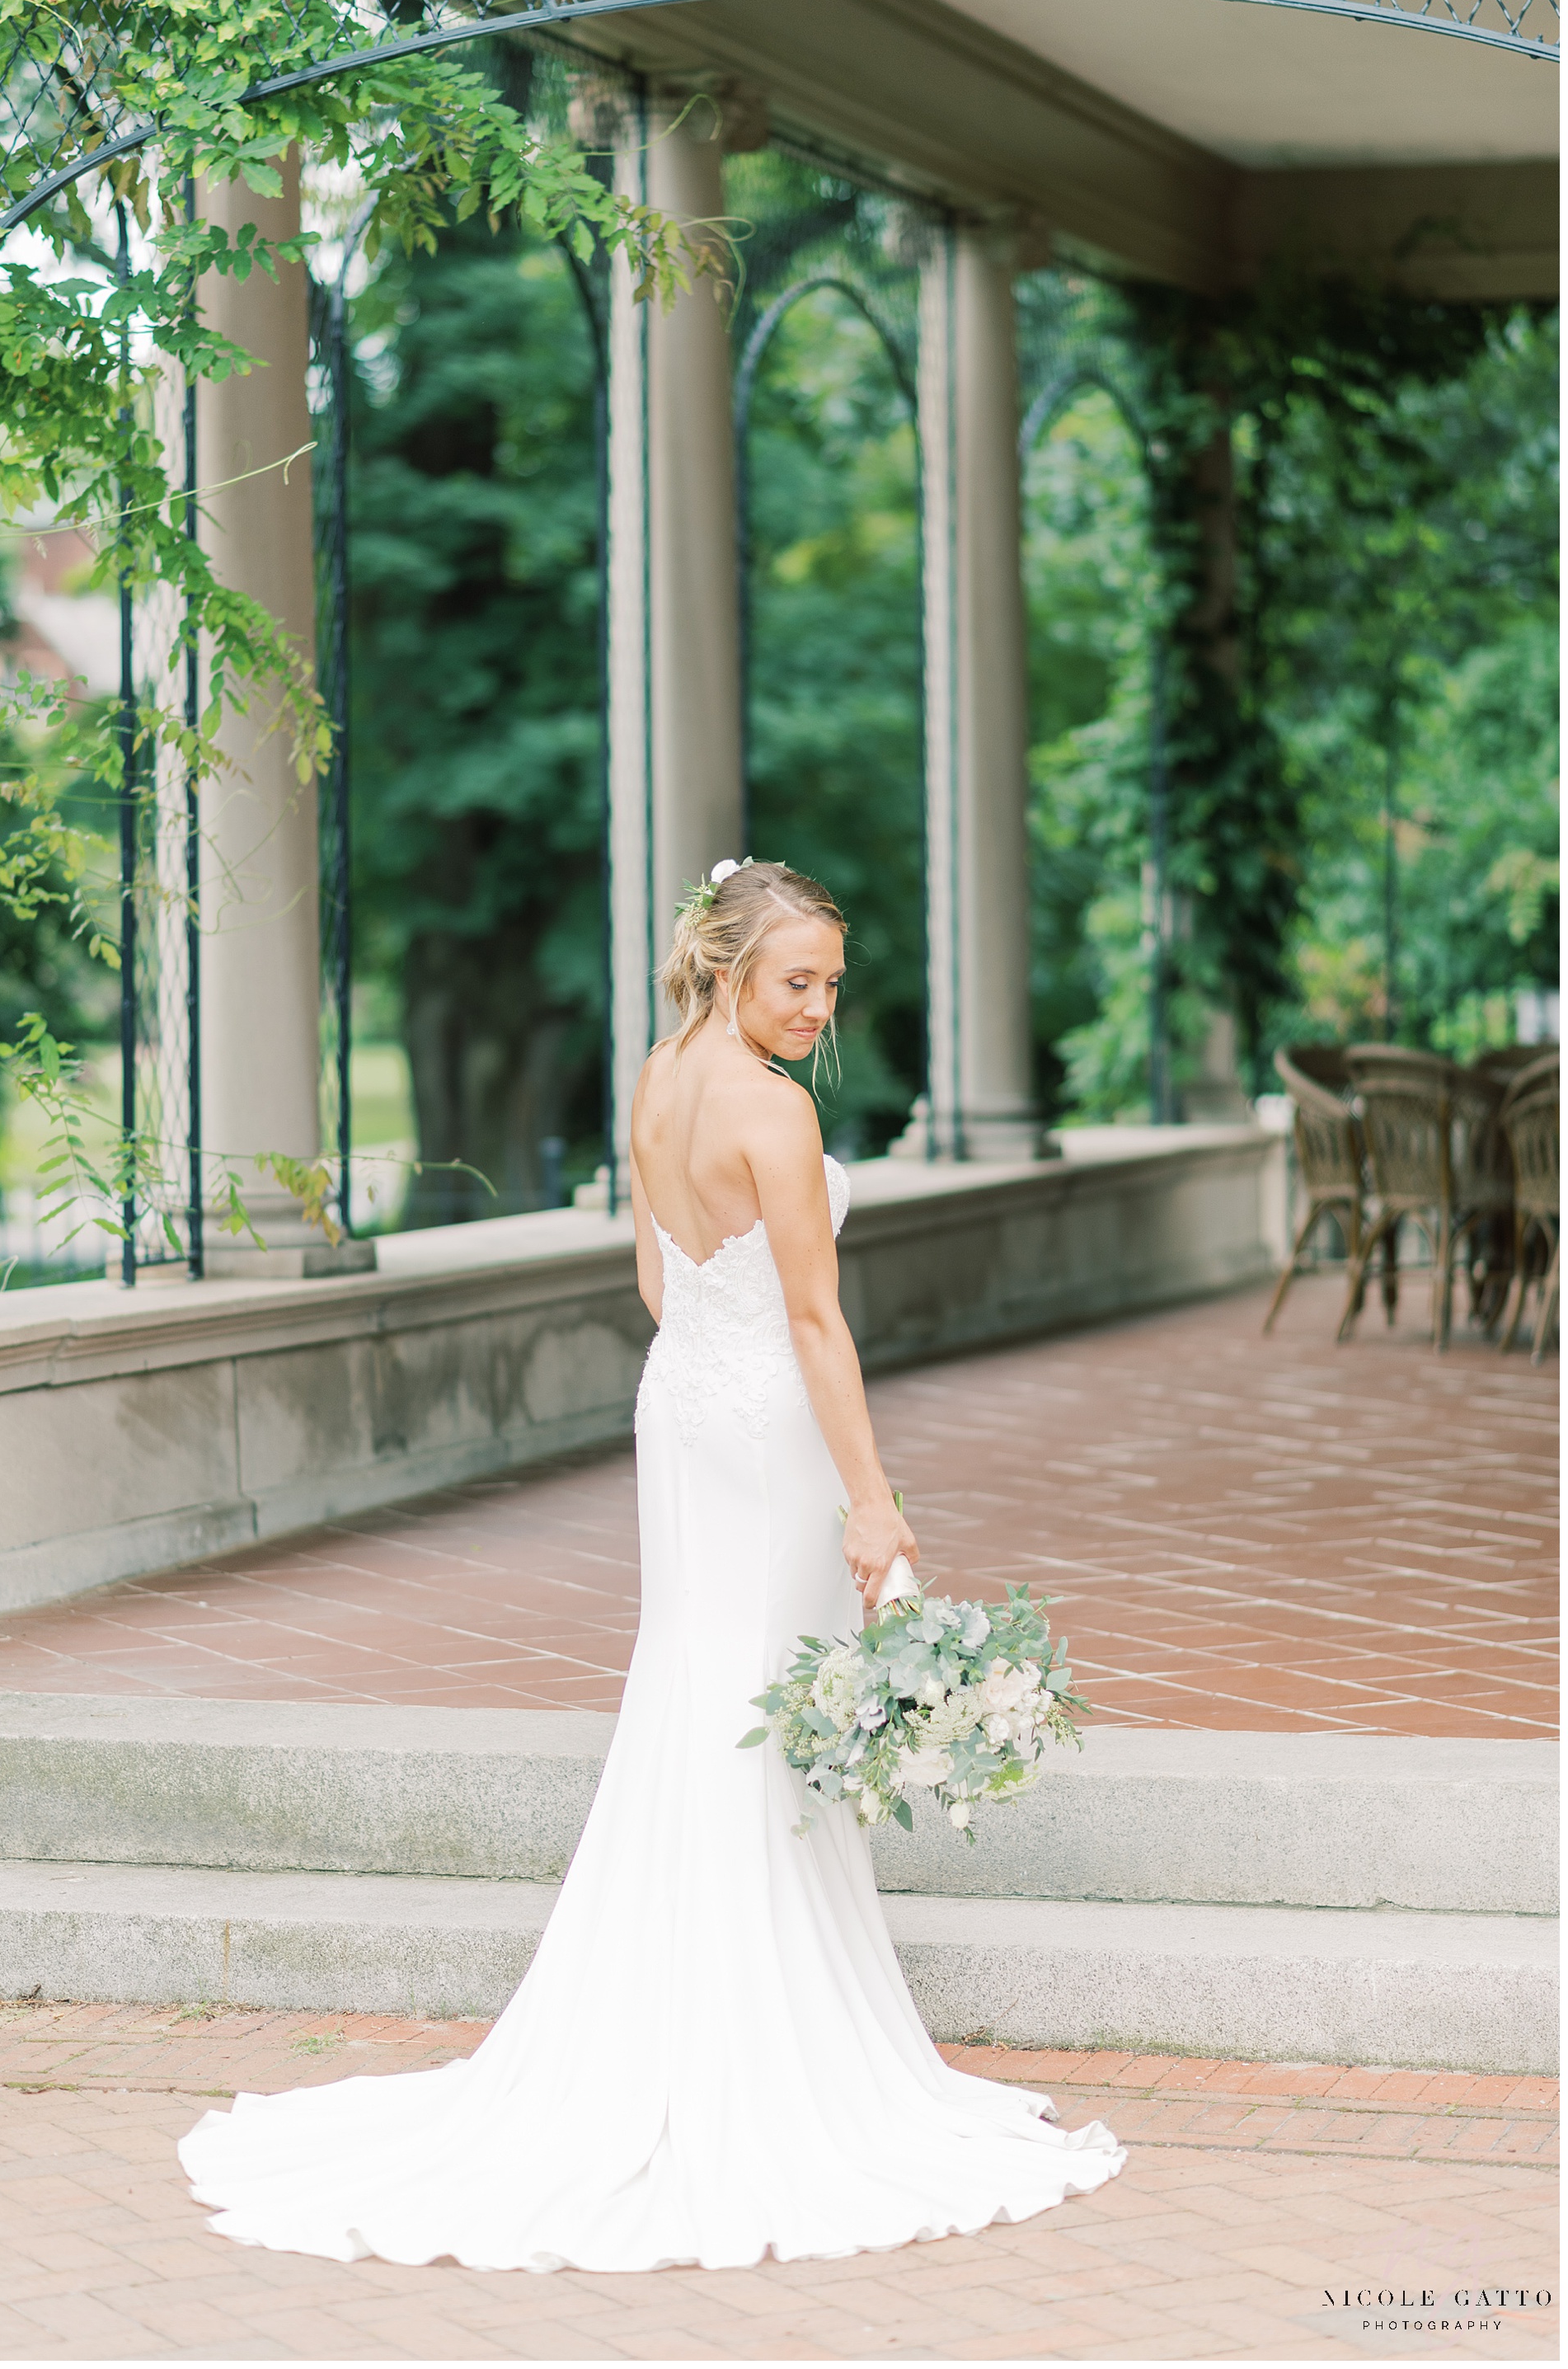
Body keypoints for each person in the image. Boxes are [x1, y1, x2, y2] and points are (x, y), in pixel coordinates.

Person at [180, 858, 1124, 2270]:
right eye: (795, 981)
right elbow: (816, 1323)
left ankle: (673, 2015)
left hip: (683, 1405)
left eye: (829, 985)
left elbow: (652, 1284)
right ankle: (753, 2043)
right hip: (765, 1423)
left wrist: (722, 1365)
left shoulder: (660, 1071)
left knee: (703, 1688)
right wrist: (875, 1507)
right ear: (730, 965)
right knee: (761, 1706)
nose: (817, 1008)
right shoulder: (776, 1112)